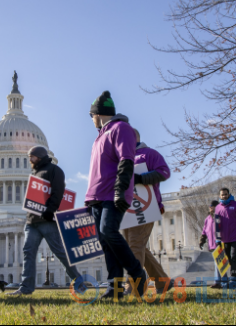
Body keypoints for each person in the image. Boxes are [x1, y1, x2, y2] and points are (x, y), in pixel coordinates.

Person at [85, 91, 147, 300]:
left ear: (98, 113)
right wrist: (89, 198)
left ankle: (137, 273)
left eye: (91, 115)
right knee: (105, 240)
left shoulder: (121, 129)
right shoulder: (99, 136)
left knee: (109, 231)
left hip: (113, 193)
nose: (91, 119)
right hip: (97, 195)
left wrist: (121, 189)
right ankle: (115, 287)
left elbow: (126, 160)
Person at [7, 146, 82, 296]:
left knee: (59, 252)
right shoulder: (35, 172)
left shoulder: (55, 170)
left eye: (32, 157)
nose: (30, 160)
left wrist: (50, 211)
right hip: (32, 221)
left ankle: (79, 282)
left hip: (47, 220)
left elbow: (58, 192)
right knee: (28, 252)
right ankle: (26, 288)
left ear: (39, 157)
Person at [123, 129, 172, 294]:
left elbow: (164, 172)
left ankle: (134, 288)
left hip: (145, 208)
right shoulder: (121, 159)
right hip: (126, 210)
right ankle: (162, 282)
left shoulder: (149, 154)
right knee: (135, 247)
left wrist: (142, 179)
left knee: (135, 245)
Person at [199, 200, 228, 289]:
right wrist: (202, 240)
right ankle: (219, 282)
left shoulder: (221, 216)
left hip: (220, 243)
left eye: (212, 205)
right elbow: (204, 231)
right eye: (210, 206)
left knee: (220, 264)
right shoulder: (207, 219)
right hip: (212, 244)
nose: (210, 207)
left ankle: (221, 282)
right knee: (217, 263)